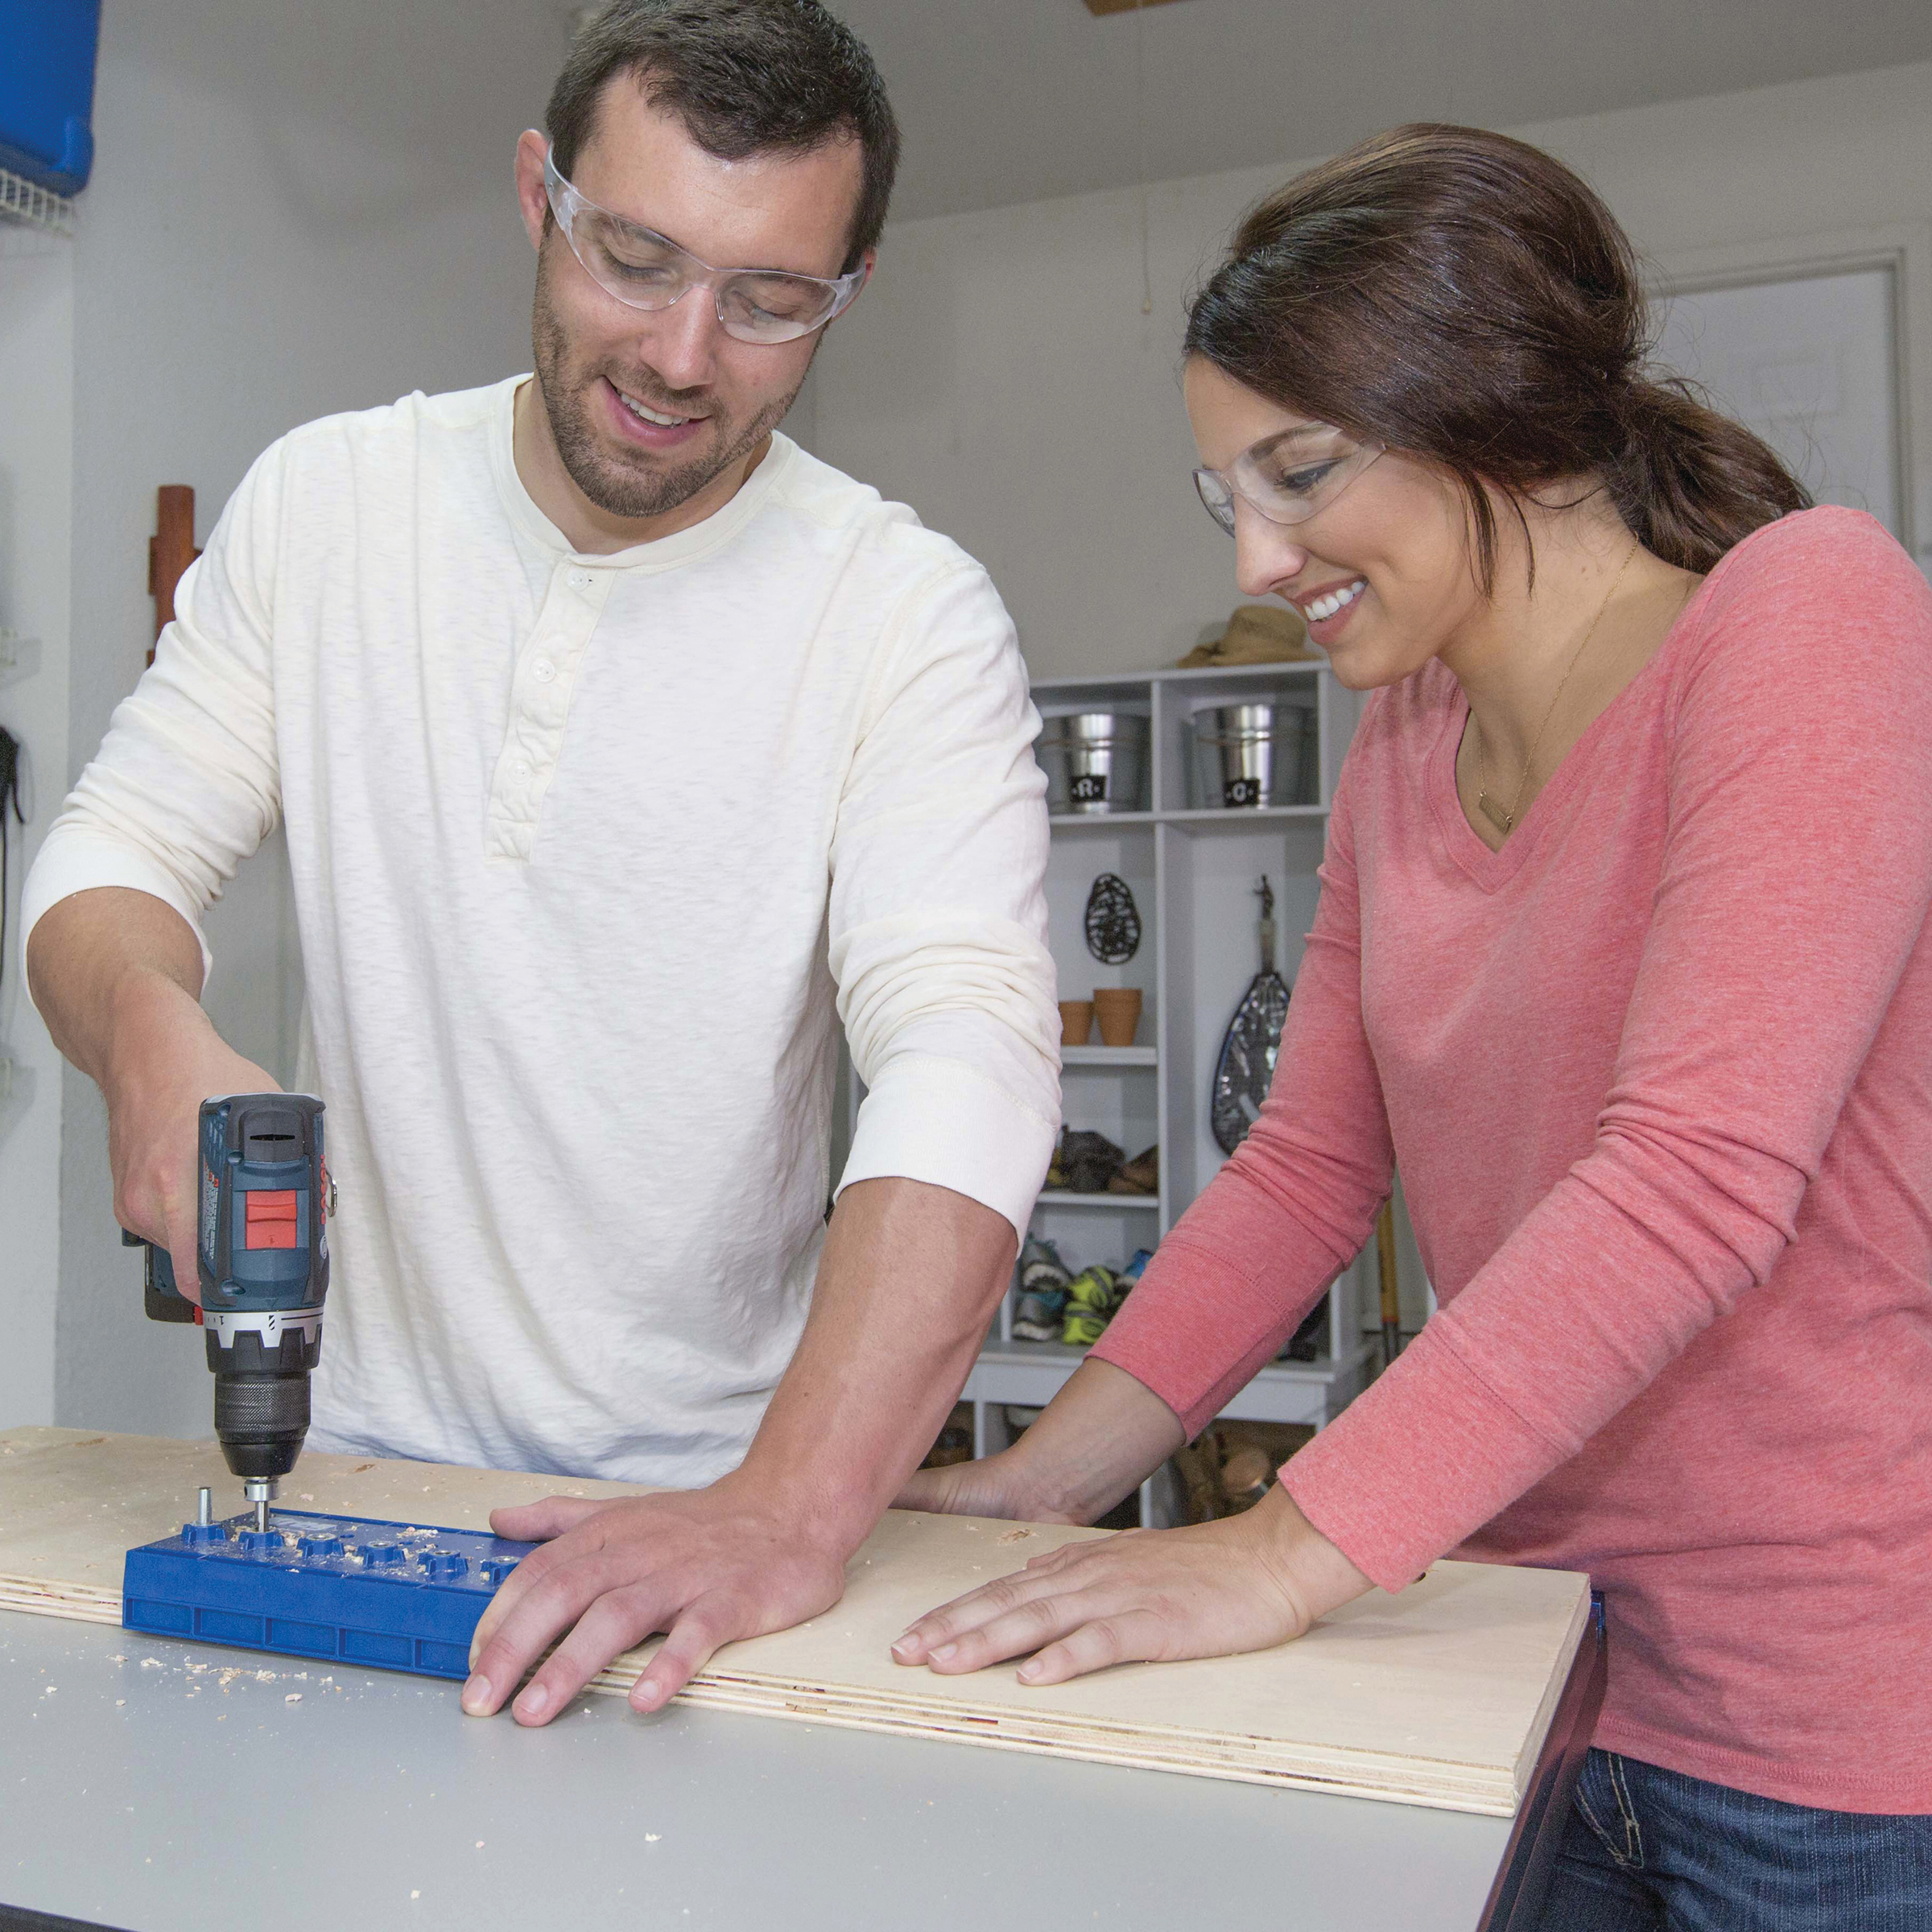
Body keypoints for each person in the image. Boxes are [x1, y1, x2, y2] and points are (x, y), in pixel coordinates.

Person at [890, 126, 1932, 1927]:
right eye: (1226, 494)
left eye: (1298, 473)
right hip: (1528, 1669)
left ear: (1495, 411)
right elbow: (1303, 1174)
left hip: (1827, 1742)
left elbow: (1693, 1180)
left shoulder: (1809, 614)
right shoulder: (1405, 748)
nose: (1259, 554)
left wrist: (1283, 1554)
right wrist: (1032, 1490)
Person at [22, 0, 1059, 1731]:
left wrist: (793, 1508)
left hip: (708, 1537)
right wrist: (147, 1031)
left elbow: (968, 1055)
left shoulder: (903, 617)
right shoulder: (331, 507)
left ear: (849, 291)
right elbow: (113, 852)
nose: (679, 354)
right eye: (636, 259)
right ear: (539, 198)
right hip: (345, 1488)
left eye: (770, 301)